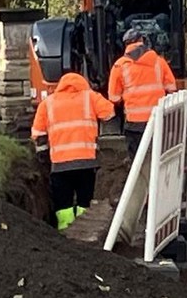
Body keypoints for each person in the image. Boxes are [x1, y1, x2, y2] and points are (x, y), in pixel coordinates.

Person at [30, 72, 115, 231]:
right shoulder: (90, 97)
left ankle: (65, 232)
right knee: (85, 200)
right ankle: (85, 231)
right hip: (86, 162)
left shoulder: (48, 103)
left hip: (60, 165)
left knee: (63, 204)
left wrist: (44, 158)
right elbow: (109, 112)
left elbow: (38, 133)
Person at [106, 27, 178, 158]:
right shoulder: (159, 61)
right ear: (142, 40)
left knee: (137, 160)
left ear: (126, 44)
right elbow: (172, 88)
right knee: (159, 157)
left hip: (134, 123)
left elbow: (114, 98)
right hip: (158, 119)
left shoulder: (119, 65)